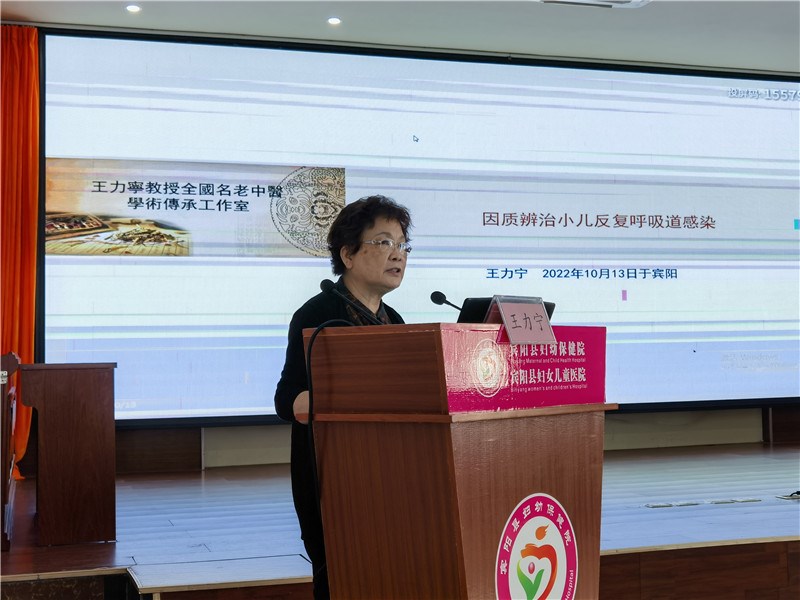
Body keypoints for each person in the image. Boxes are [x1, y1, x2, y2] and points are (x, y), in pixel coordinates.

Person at [274, 194, 412, 599]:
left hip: (390, 478)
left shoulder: (394, 321)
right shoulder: (317, 315)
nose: (398, 254)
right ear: (348, 254)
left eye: (403, 245)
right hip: (333, 478)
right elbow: (287, 400)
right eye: (384, 242)